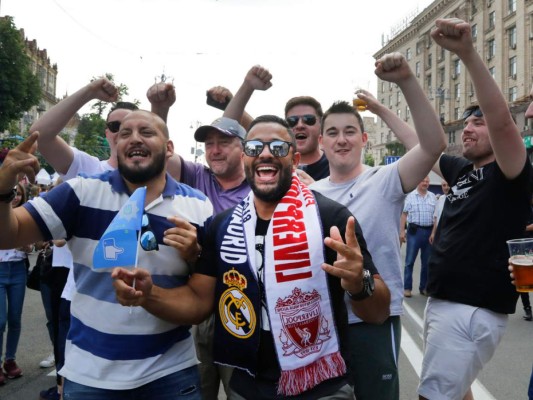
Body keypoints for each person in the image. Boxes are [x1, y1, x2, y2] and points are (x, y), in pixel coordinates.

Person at [112, 115, 391, 399]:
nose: (266, 153)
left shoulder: (330, 218)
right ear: (245, 158)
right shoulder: (221, 226)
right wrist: (148, 295)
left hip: (323, 386)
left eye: (278, 148)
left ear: (294, 161)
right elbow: (198, 302)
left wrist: (360, 283)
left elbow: (378, 312)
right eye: (255, 147)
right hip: (247, 387)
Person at [0, 110, 213, 399]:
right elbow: (8, 236)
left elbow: (202, 297)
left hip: (171, 374)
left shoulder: (198, 206)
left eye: (147, 132)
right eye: (125, 133)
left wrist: (193, 255)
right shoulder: (81, 192)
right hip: (89, 376)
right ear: (116, 144)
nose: (134, 138)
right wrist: (3, 187)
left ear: (169, 147)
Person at [311, 52, 446, 400]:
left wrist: (405, 80)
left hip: (373, 319)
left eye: (350, 132)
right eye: (333, 133)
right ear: (321, 142)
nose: (342, 139)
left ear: (364, 139)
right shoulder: (308, 194)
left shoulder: (385, 179)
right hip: (322, 323)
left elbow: (434, 145)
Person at [413, 18, 533, 400]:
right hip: (444, 301)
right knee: (458, 391)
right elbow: (422, 142)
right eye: (465, 123)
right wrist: (394, 94)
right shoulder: (463, 170)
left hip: (470, 308)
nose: (467, 129)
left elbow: (502, 121)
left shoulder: (510, 168)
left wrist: (467, 53)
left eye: (477, 123)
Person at [0, 182, 32, 384]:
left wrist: (26, 245)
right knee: (0, 321)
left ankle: (10, 360)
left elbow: (30, 248)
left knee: (15, 318)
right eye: (12, 193)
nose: (15, 197)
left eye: (18, 194)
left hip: (18, 269)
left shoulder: (25, 216)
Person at [399, 176, 436, 297]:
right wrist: (402, 232)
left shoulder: (433, 197)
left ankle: (424, 287)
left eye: (427, 181)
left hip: (428, 232)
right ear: (418, 182)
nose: (425, 183)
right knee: (409, 262)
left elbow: (436, 217)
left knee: (426, 263)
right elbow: (404, 215)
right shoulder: (410, 197)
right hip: (414, 232)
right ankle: (407, 288)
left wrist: (433, 233)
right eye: (423, 181)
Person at [285, 96, 329, 180]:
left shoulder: (335, 165)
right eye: (292, 121)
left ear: (321, 125)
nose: (300, 125)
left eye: (309, 119)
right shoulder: (278, 166)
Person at [429, 180, 449, 245]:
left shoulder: (457, 199)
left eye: (448, 185)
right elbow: (436, 217)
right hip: (439, 233)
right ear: (441, 187)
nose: (446, 187)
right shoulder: (440, 199)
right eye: (444, 185)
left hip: (450, 233)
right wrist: (433, 233)